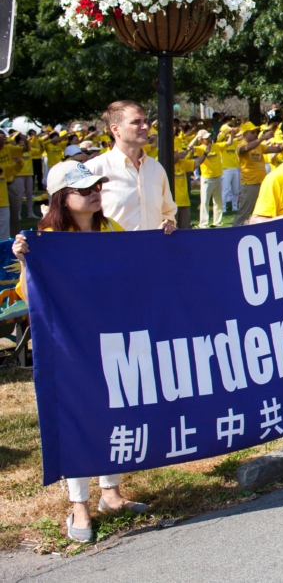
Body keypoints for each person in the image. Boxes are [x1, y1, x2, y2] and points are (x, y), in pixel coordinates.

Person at [13, 161, 164, 543]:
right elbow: (29, 298)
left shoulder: (109, 226)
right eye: (85, 189)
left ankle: (110, 493)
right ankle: (79, 503)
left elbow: (136, 269)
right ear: (62, 198)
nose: (96, 192)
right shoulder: (44, 238)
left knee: (115, 409)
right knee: (79, 416)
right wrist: (24, 261)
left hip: (110, 337)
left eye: (98, 185)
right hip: (69, 345)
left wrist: (165, 240)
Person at [85, 101, 177, 232]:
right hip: (111, 250)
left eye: (145, 121)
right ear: (116, 129)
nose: (145, 126)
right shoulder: (94, 169)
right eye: (136, 122)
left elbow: (168, 211)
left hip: (152, 250)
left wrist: (168, 223)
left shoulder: (156, 168)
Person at [235, 122, 282, 226]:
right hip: (249, 185)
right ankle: (234, 234)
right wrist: (262, 138)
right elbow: (246, 149)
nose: (255, 134)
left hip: (262, 183)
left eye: (256, 132)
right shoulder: (240, 146)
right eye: (252, 132)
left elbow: (278, 149)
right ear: (244, 135)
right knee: (244, 213)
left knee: (261, 212)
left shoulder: (260, 146)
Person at [193, 129, 226, 228]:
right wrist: (196, 137)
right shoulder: (200, 148)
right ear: (201, 140)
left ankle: (217, 221)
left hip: (218, 177)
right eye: (206, 138)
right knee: (205, 202)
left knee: (218, 201)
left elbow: (229, 143)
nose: (209, 139)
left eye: (209, 137)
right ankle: (203, 223)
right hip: (207, 178)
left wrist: (230, 133)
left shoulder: (216, 146)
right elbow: (189, 147)